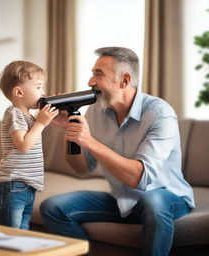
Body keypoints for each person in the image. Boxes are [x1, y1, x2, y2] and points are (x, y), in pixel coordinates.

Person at [40, 47, 195, 256]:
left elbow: (139, 178)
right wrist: (70, 130)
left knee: (153, 201)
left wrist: (90, 141)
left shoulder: (160, 114)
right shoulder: (95, 110)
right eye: (93, 73)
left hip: (167, 197)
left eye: (99, 74)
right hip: (122, 199)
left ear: (124, 80)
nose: (90, 82)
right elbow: (81, 168)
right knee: (53, 207)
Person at [0, 61, 58, 230]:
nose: (43, 92)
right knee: (10, 234)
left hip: (28, 186)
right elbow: (23, 145)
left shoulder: (30, 117)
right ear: (19, 92)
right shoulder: (14, 114)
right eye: (38, 87)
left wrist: (42, 121)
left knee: (22, 235)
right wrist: (41, 123)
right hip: (13, 184)